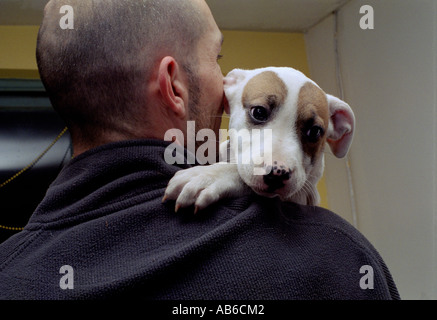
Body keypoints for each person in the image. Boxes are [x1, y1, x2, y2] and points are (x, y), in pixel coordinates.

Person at [0, 0, 399, 300]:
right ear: (173, 86)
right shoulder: (335, 259)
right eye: (217, 59)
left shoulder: (9, 270)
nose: (226, 85)